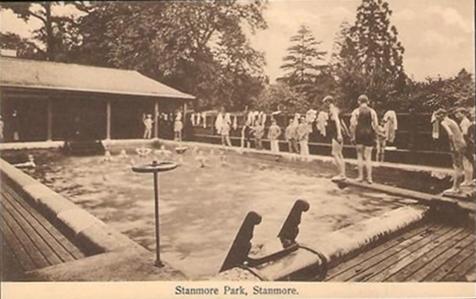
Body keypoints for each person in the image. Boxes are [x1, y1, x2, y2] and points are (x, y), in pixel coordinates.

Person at [434, 108, 467, 194]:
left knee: (457, 167)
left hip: (457, 144)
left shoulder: (444, 122)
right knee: (459, 166)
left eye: (437, 115)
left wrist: (453, 146)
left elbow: (450, 134)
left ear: (441, 115)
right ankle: (457, 187)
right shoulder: (452, 121)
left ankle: (455, 188)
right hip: (462, 143)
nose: (436, 117)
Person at [350, 95, 378, 183]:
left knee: (359, 156)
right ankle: (369, 178)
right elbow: (375, 125)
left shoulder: (356, 111)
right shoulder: (372, 111)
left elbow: (353, 125)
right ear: (368, 102)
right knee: (368, 157)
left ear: (359, 101)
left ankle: (360, 177)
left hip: (359, 134)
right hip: (369, 134)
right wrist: (376, 136)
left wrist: (353, 136)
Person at [323, 96, 346, 180]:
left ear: (328, 102)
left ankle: (342, 174)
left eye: (325, 102)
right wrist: (346, 132)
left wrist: (339, 134)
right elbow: (342, 121)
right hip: (337, 134)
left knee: (335, 154)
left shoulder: (333, 110)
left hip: (336, 134)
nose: (324, 104)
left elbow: (337, 122)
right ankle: (343, 173)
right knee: (340, 154)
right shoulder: (336, 109)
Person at [454, 107, 474, 186]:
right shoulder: (466, 121)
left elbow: (465, 133)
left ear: (463, 113)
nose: (456, 115)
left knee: (466, 162)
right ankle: (468, 179)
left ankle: (467, 180)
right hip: (468, 143)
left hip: (465, 143)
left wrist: (458, 136)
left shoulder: (464, 122)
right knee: (468, 162)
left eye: (458, 113)